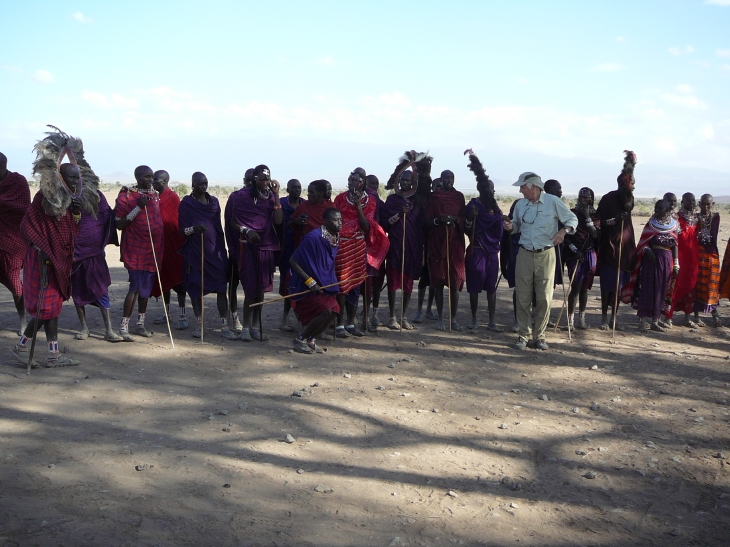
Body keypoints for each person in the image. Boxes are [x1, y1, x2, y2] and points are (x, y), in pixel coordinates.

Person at [13, 162, 81, 367]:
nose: (76, 181)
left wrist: (76, 213)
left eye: (77, 177)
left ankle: (54, 356)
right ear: (60, 177)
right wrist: (41, 247)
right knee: (45, 308)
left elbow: (70, 229)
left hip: (59, 258)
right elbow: (29, 225)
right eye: (72, 177)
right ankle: (21, 347)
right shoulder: (44, 197)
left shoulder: (72, 199)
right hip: (41, 258)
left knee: (53, 307)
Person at [503, 172, 577, 350]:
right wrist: (511, 227)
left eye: (522, 187)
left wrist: (563, 231)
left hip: (546, 254)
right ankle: (523, 335)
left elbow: (572, 219)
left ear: (533, 187)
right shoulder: (520, 204)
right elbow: (516, 226)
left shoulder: (553, 201)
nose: (520, 190)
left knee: (544, 297)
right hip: (524, 254)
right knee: (522, 297)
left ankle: (540, 336)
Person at [227, 164, 282, 341]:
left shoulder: (270, 197)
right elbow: (233, 222)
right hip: (247, 247)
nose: (266, 182)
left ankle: (255, 327)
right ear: (254, 179)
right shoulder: (241, 196)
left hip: (265, 247)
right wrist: (246, 230)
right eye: (262, 179)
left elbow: (278, 221)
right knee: (250, 290)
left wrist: (277, 195)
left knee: (261, 289)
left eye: (268, 178)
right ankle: (245, 327)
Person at [332, 167, 389, 337]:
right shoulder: (340, 199)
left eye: (354, 181)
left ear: (361, 183)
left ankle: (350, 323)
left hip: (358, 245)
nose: (350, 183)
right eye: (349, 180)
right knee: (342, 284)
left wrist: (358, 207)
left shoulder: (370, 202)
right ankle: (339, 324)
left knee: (356, 285)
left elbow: (366, 227)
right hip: (342, 245)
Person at [178, 172, 232, 338]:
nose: (203, 186)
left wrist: (221, 249)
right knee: (196, 289)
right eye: (200, 184)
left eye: (205, 183)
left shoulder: (214, 202)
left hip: (215, 252)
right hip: (195, 253)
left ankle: (224, 326)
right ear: (193, 185)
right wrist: (194, 229)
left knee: (221, 288)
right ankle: (199, 325)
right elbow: (182, 230)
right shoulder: (186, 204)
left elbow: (218, 227)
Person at [114, 165, 164, 341]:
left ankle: (140, 324)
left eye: (152, 177)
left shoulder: (154, 195)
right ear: (137, 177)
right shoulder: (127, 196)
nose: (151, 180)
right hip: (135, 249)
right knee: (135, 287)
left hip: (153, 250)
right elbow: (119, 224)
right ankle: (123, 327)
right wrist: (138, 207)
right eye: (147, 177)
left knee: (146, 289)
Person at [71, 183, 123, 342]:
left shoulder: (98, 196)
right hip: (75, 255)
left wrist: (120, 200)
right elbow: (63, 224)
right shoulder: (68, 197)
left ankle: (109, 330)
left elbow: (107, 215)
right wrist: (75, 212)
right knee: (77, 291)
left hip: (95, 253)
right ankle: (84, 328)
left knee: (101, 290)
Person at [288, 208, 343, 354]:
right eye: (335, 220)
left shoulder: (335, 238)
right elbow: (293, 261)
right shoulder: (313, 237)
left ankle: (311, 340)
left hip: (324, 284)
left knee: (335, 311)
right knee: (326, 310)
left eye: (340, 220)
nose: (339, 223)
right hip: (304, 286)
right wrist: (310, 282)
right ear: (325, 221)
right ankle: (300, 339)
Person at [621, 199, 679, 332]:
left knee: (661, 289)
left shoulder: (674, 226)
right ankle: (642, 320)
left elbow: (675, 245)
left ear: (667, 210)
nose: (656, 211)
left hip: (666, 261)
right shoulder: (651, 224)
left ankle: (655, 320)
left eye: (660, 208)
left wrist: (676, 264)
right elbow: (643, 243)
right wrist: (647, 250)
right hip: (650, 261)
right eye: (656, 208)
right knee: (647, 288)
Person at [596, 151, 638, 330]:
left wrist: (631, 166)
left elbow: (627, 200)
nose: (634, 187)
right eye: (632, 184)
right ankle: (604, 317)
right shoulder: (608, 199)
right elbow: (598, 222)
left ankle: (614, 317)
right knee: (608, 284)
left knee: (620, 286)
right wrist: (614, 220)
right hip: (610, 247)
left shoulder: (628, 200)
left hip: (625, 247)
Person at [464, 151, 503, 331]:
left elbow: (500, 232)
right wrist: (471, 218)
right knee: (474, 288)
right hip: (477, 251)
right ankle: (473, 319)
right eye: (488, 189)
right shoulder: (473, 206)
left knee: (491, 288)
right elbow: (466, 228)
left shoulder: (496, 210)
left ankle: (492, 321)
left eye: (492, 190)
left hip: (492, 253)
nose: (490, 192)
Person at [381, 170, 424, 330]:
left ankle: (403, 317)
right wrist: (400, 214)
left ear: (413, 183)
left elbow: (421, 226)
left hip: (412, 247)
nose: (404, 183)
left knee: (408, 284)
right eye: (402, 180)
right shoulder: (392, 200)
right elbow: (385, 223)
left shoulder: (417, 202)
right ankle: (392, 317)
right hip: (395, 246)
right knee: (393, 282)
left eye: (407, 180)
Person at [424, 170, 466, 330]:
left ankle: (453, 319)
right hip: (437, 243)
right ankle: (441, 318)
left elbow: (464, 218)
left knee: (456, 280)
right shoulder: (434, 197)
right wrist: (439, 220)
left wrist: (455, 219)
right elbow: (426, 221)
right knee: (439, 281)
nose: (449, 181)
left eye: (451, 178)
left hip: (455, 244)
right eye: (446, 178)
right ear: (441, 180)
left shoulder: (459, 197)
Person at [150, 170, 188, 329]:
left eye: (156, 180)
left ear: (165, 181)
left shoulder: (173, 198)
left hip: (174, 247)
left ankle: (183, 315)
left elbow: (176, 223)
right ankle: (167, 314)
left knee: (179, 282)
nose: (153, 183)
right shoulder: (153, 198)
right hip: (160, 247)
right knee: (164, 280)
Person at [0, 152, 31, 335]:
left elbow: (25, 209)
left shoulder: (18, 182)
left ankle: (23, 320)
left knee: (14, 283)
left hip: (13, 241)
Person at [564, 187, 600, 330]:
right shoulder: (571, 213)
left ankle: (582, 320)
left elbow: (595, 235)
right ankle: (570, 322)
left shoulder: (595, 215)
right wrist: (574, 250)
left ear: (591, 199)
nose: (583, 199)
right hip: (575, 254)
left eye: (586, 197)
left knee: (584, 289)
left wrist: (586, 216)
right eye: (581, 197)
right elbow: (566, 236)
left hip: (590, 254)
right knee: (575, 287)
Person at [661, 193, 699, 327]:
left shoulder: (697, 218)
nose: (691, 203)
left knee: (691, 286)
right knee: (675, 286)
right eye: (688, 200)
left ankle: (687, 317)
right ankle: (668, 316)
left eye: (693, 200)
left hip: (693, 258)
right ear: (682, 202)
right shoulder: (675, 217)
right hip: (679, 256)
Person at [223, 168, 253, 333]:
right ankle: (234, 317)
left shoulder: (262, 199)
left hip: (254, 252)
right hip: (236, 249)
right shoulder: (235, 197)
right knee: (233, 285)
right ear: (243, 181)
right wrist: (233, 250)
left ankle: (251, 321)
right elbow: (229, 225)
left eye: (252, 181)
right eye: (247, 181)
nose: (250, 184)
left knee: (253, 288)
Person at [278, 178, 305, 332]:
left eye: (299, 187)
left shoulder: (305, 205)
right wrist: (294, 223)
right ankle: (285, 318)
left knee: (301, 283)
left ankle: (301, 319)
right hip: (286, 249)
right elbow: (278, 224)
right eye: (294, 187)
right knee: (287, 284)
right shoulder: (282, 204)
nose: (297, 190)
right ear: (288, 190)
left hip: (302, 249)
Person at [413, 177, 441, 323]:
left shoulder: (444, 203)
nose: (438, 189)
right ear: (432, 187)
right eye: (436, 186)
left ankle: (429, 309)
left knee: (434, 279)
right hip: (425, 244)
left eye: (440, 186)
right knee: (424, 279)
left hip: (439, 246)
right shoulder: (425, 202)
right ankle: (419, 310)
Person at [693, 194, 722, 327]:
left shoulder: (715, 217)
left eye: (708, 204)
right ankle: (696, 315)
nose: (705, 207)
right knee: (697, 283)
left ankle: (714, 313)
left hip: (712, 255)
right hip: (698, 254)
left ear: (712, 204)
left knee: (712, 284)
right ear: (699, 204)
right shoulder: (695, 218)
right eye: (703, 204)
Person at [364, 174, 387, 330]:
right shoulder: (361, 201)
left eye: (376, 184)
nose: (374, 187)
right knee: (362, 281)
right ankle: (362, 315)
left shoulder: (380, 203)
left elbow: (386, 221)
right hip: (362, 244)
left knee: (376, 281)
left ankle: (374, 313)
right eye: (371, 183)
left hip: (376, 246)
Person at [290, 179, 333, 244]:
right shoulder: (303, 206)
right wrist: (296, 222)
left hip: (324, 244)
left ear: (320, 193)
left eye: (311, 192)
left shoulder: (331, 207)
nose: (308, 195)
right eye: (308, 192)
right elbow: (289, 225)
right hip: (306, 245)